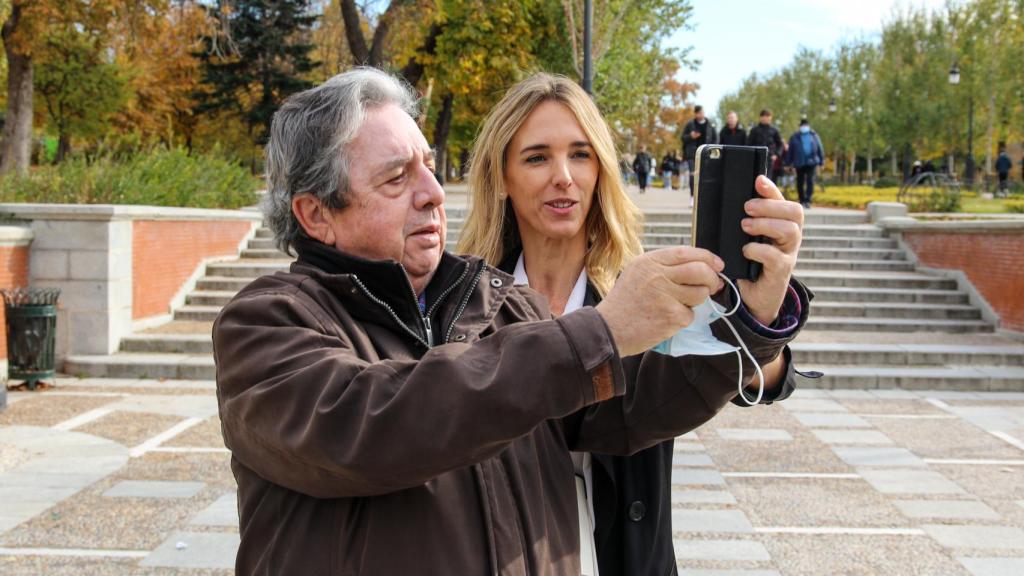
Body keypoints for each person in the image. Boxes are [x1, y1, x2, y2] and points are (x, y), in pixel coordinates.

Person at [212, 67, 807, 576]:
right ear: (316, 214)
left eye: (429, 166)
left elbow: (630, 411)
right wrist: (602, 332)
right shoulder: (266, 323)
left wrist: (750, 317)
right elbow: (371, 423)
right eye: (397, 177)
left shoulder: (495, 301)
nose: (432, 194)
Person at [457, 73, 811, 576]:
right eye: (537, 157)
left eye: (580, 154)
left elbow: (740, 377)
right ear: (500, 176)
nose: (564, 176)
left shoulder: (646, 291)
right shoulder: (461, 307)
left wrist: (758, 318)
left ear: (601, 169)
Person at [682, 105, 718, 205]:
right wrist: (691, 136)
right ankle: (692, 197)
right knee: (693, 175)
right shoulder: (690, 124)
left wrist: (713, 150)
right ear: (695, 114)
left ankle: (703, 197)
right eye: (698, 113)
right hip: (692, 154)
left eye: (701, 112)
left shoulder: (710, 124)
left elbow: (715, 139)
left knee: (705, 176)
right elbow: (683, 138)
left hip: (706, 154)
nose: (700, 115)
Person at [786, 118, 825, 208]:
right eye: (802, 126)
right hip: (799, 162)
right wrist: (788, 163)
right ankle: (802, 199)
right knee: (800, 181)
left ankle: (808, 199)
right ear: (800, 127)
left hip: (811, 162)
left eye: (805, 125)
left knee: (810, 180)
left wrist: (821, 162)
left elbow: (820, 148)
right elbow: (790, 151)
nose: (804, 127)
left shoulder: (814, 135)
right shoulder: (795, 136)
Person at [747, 109, 786, 182]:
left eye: (768, 116)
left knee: (768, 180)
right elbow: (749, 144)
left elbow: (780, 144)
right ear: (760, 117)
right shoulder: (754, 130)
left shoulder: (774, 130)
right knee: (756, 179)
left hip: (769, 159)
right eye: (763, 116)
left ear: (770, 118)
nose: (765, 118)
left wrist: (776, 155)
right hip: (756, 158)